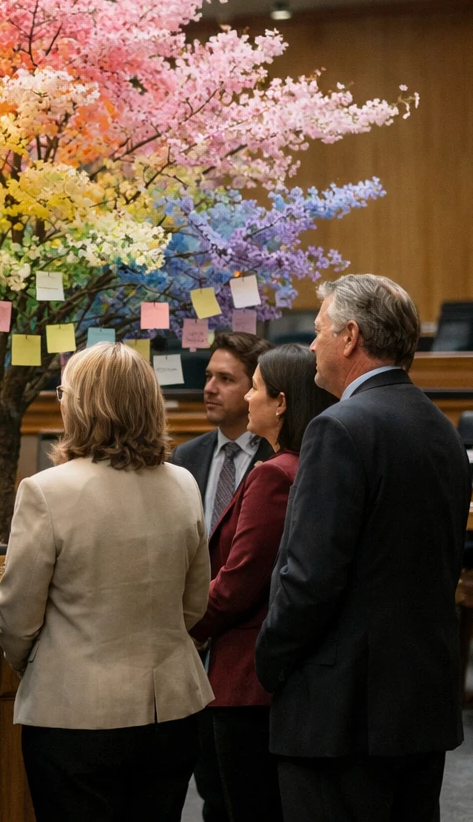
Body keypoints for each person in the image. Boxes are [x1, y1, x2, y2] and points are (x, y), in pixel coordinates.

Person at [255, 274, 473, 822]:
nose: (311, 345)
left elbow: (308, 580)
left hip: (341, 715)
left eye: (319, 329)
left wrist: (269, 662)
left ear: (350, 337)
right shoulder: (442, 428)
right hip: (419, 706)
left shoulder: (337, 429)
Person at [0, 341, 212, 822]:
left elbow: (16, 616)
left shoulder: (46, 491)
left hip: (74, 713)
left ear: (81, 405)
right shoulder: (184, 484)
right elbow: (196, 605)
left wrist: (38, 663)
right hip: (172, 709)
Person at [189, 344, 336, 821]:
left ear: (281, 402)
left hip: (246, 677)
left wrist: (185, 623)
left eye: (254, 388)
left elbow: (238, 581)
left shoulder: (274, 474)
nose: (249, 399)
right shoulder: (308, 465)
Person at [172, 331, 273, 822]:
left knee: (245, 795)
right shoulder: (184, 460)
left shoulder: (276, 460)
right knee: (206, 784)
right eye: (208, 376)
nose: (209, 388)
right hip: (187, 648)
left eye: (226, 380)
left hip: (244, 647)